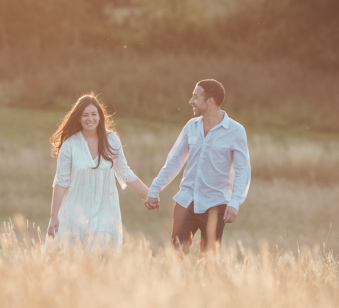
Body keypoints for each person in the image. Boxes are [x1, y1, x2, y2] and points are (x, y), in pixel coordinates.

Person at [144, 79, 251, 254]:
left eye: (195, 97)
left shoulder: (236, 131)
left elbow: (242, 171)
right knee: (176, 257)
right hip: (186, 202)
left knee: (208, 261)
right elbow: (174, 161)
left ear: (210, 101)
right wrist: (154, 189)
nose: (190, 101)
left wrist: (235, 202)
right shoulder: (191, 127)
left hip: (216, 205)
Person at [47, 94, 150, 251]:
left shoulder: (111, 139)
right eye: (85, 115)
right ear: (79, 119)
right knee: (74, 264)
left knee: (103, 262)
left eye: (94, 114)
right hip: (74, 215)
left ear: (100, 117)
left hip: (105, 213)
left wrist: (150, 192)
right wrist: (54, 216)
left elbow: (124, 173)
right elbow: (61, 182)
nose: (90, 119)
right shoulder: (70, 145)